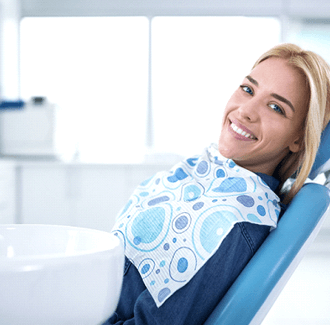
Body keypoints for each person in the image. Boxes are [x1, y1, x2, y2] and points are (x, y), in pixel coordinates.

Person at [103, 43, 330, 325]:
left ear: (298, 138)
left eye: (276, 107)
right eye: (248, 89)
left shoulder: (229, 223)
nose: (246, 110)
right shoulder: (204, 171)